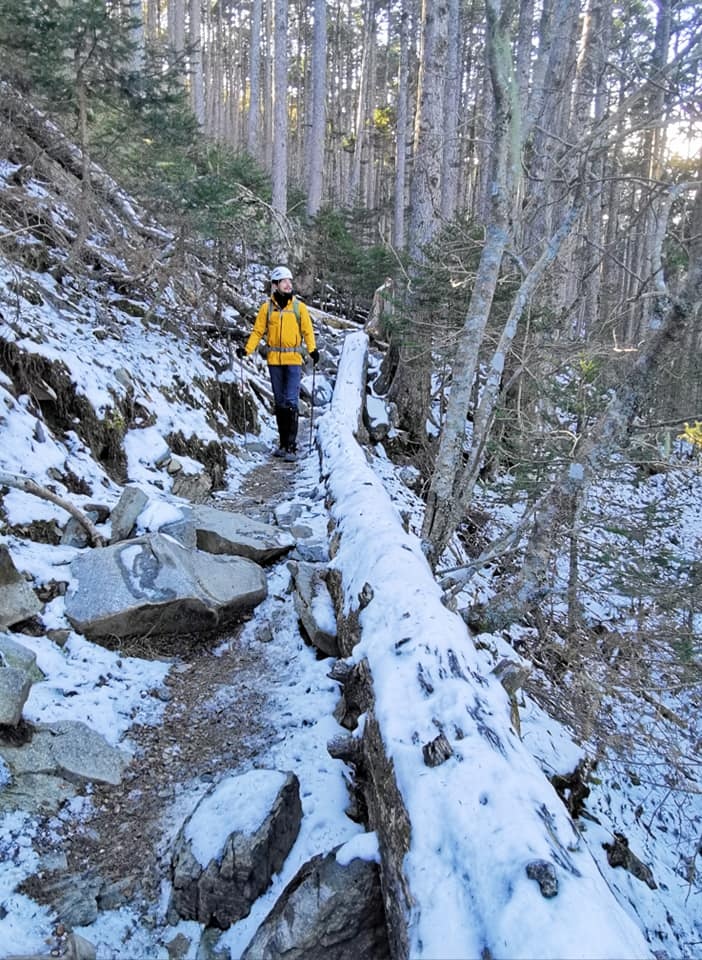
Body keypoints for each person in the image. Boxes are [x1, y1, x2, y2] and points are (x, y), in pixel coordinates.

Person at [237, 265, 319, 461]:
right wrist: (247, 350)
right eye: (284, 282)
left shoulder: (299, 308)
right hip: (274, 361)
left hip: (293, 361)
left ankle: (291, 446)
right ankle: (282, 443)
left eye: (290, 281)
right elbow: (257, 332)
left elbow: (308, 331)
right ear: (275, 285)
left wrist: (313, 350)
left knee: (291, 401)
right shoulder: (267, 309)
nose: (288, 285)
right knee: (280, 402)